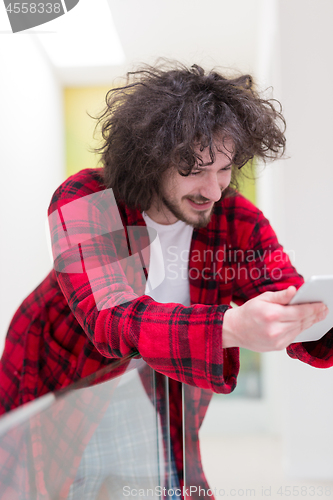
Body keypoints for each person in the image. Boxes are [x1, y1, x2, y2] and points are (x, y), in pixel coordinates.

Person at [0, 62, 332, 498]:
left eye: (226, 169)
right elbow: (112, 317)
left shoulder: (234, 219)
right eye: (193, 168)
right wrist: (230, 327)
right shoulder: (85, 199)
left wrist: (313, 315)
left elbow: (286, 294)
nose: (213, 190)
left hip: (156, 387)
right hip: (61, 382)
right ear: (149, 156)